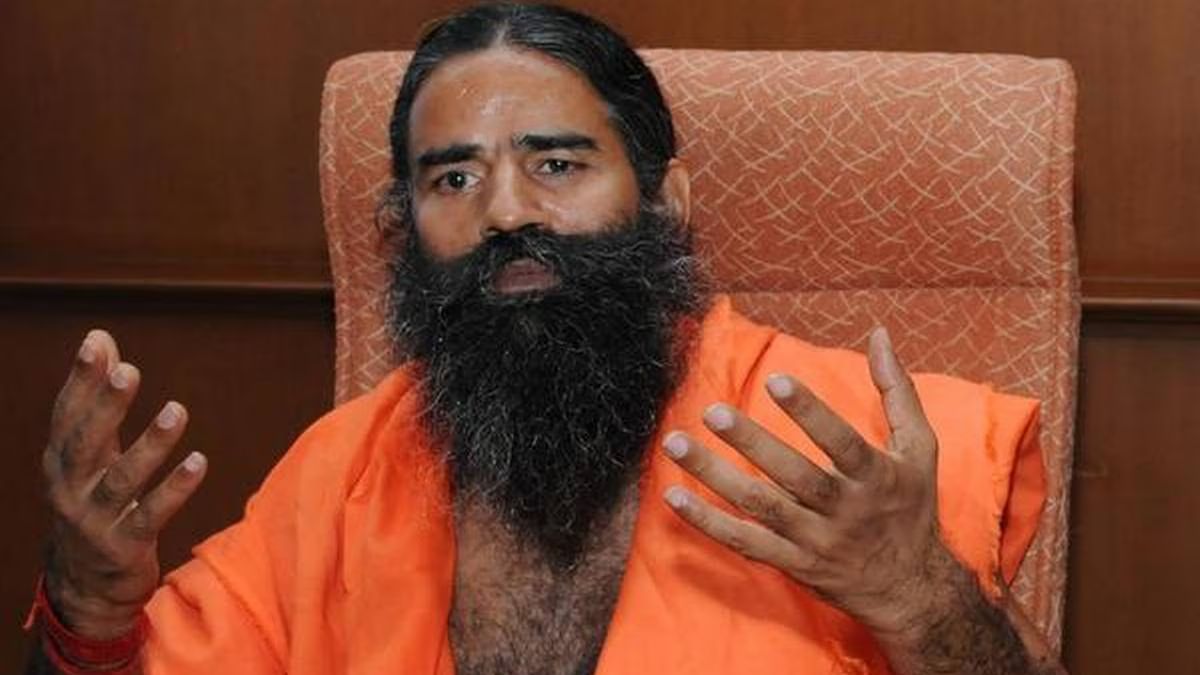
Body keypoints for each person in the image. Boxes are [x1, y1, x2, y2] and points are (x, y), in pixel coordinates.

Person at [27, 3, 1066, 674]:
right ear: (405, 227)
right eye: (454, 176)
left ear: (666, 203)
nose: (507, 211)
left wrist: (920, 596)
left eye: (558, 164)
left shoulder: (845, 446)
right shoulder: (343, 473)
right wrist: (91, 606)